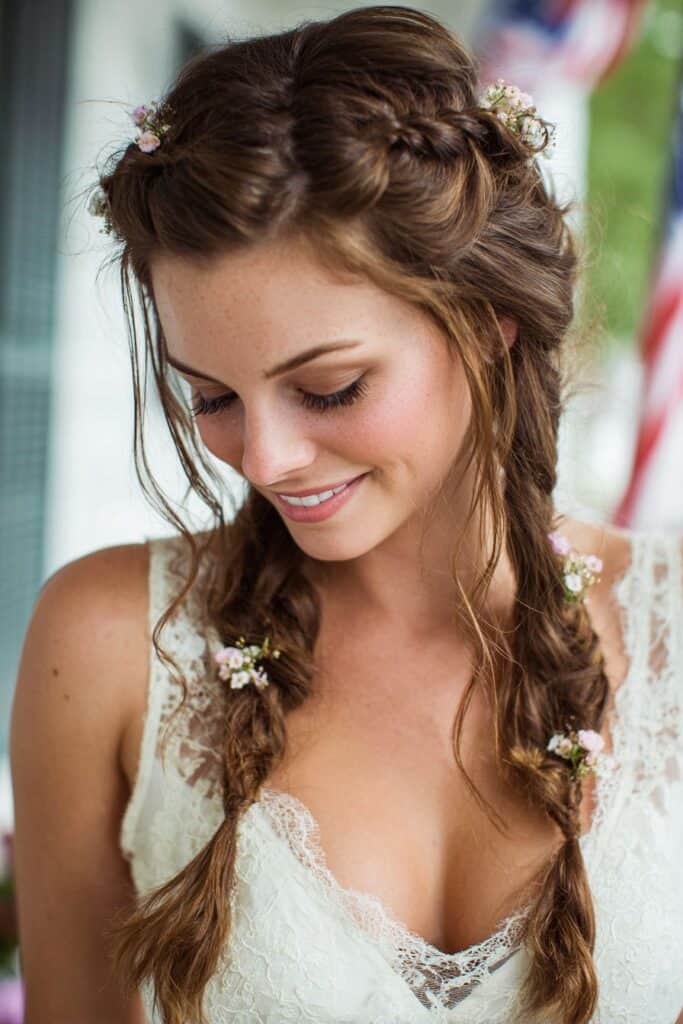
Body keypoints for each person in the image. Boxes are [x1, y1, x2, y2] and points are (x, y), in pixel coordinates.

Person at [9, 6, 683, 1024]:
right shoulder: (109, 646)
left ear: (489, 321)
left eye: (328, 389)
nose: (267, 460)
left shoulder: (668, 628)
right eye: (213, 397)